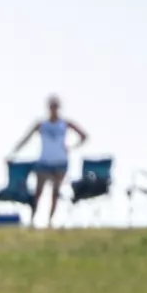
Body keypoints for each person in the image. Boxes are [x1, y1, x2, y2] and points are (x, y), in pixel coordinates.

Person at [10, 94, 87, 227]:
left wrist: (71, 147)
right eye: (51, 106)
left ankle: (50, 221)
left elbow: (84, 136)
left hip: (61, 162)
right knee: (38, 192)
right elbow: (26, 138)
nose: (53, 109)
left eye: (56, 106)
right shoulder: (41, 124)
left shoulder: (65, 124)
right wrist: (13, 153)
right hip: (44, 162)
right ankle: (32, 220)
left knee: (55, 193)